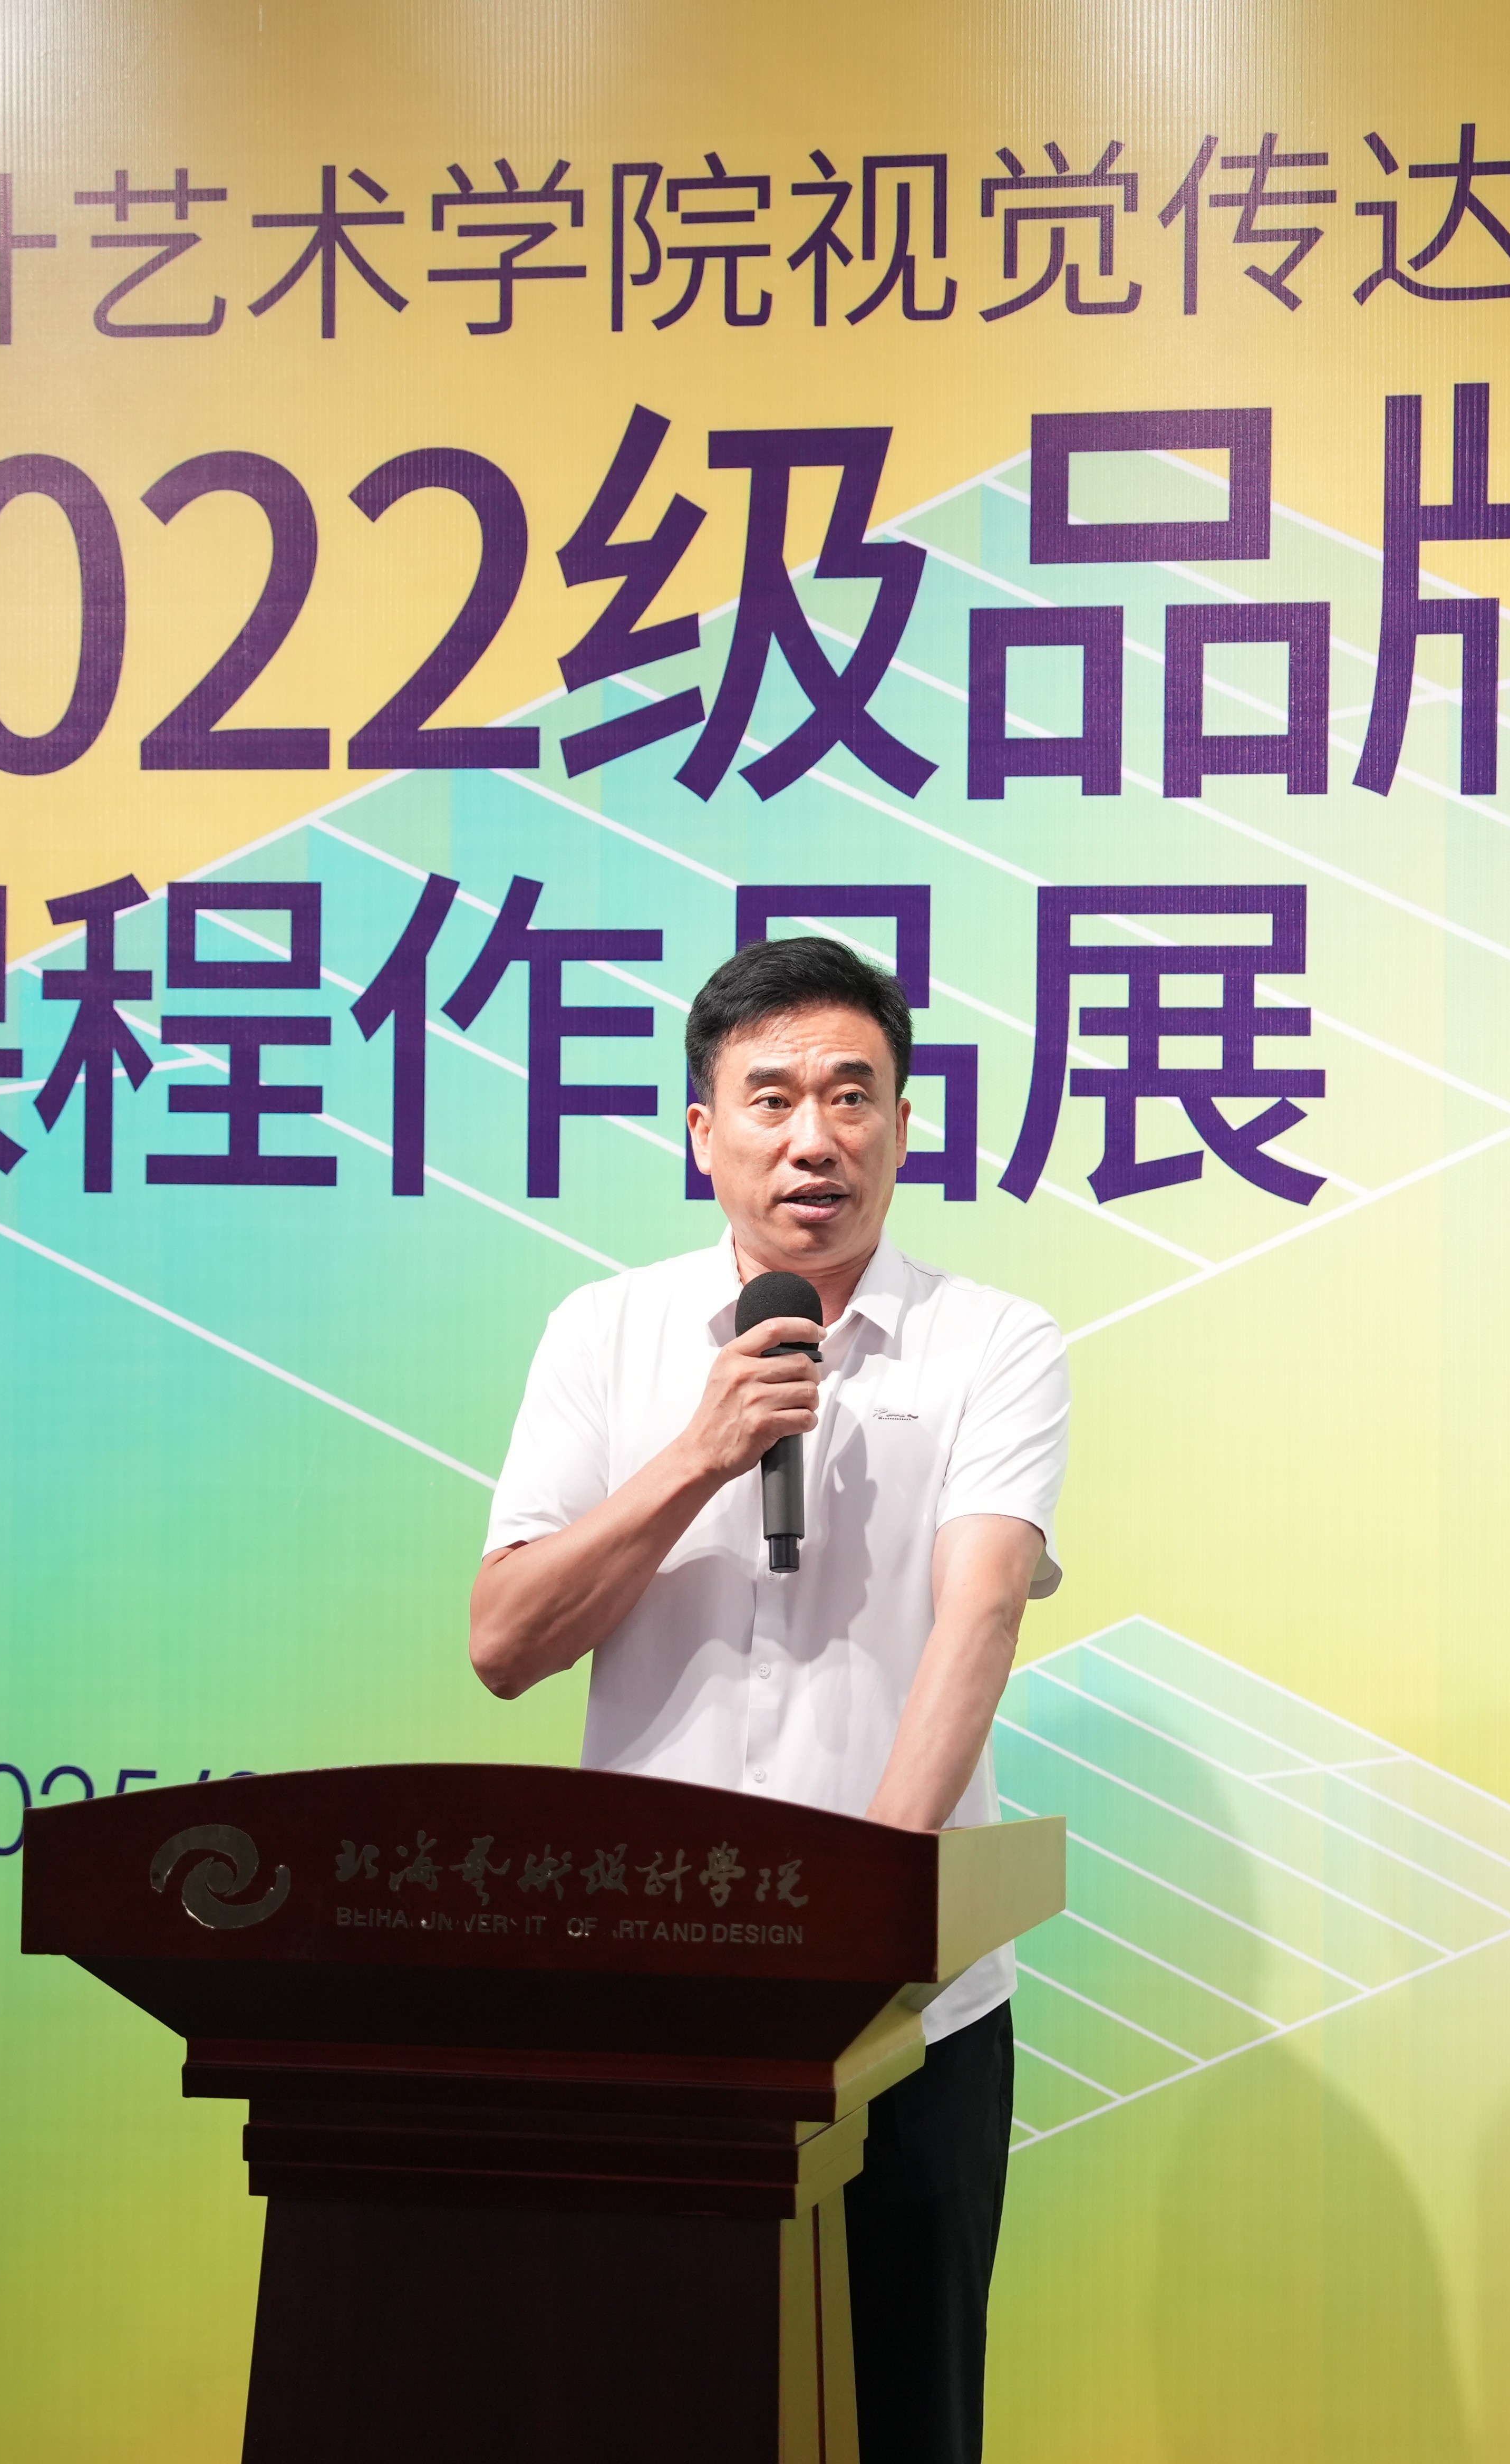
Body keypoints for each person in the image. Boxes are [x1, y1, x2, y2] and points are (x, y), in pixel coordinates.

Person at [469, 934, 1068, 2464]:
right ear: (703, 1131)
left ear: (904, 1125)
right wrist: (698, 1454)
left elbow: (983, 1610)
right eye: (773, 1098)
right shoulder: (602, 1334)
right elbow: (507, 1643)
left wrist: (864, 1927)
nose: (816, 1138)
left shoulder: (995, 1342)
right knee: (644, 2410)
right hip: (650, 1991)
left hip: (909, 2005)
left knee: (903, 2417)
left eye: (853, 1096)